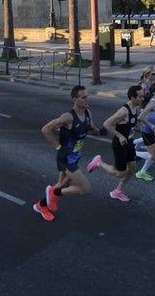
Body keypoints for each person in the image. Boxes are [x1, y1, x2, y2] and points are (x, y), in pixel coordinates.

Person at [32, 85, 111, 222]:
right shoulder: (68, 117)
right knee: (84, 188)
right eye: (83, 97)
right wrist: (58, 147)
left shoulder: (87, 113)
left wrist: (100, 131)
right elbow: (46, 129)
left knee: (63, 185)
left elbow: (90, 128)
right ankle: (53, 192)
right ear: (75, 100)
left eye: (87, 96)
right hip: (66, 158)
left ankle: (41, 206)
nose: (87, 99)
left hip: (75, 156)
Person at [88, 85, 147, 202]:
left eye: (143, 96)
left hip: (129, 142)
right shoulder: (123, 111)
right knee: (120, 174)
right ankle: (99, 163)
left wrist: (136, 128)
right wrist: (119, 135)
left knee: (132, 168)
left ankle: (117, 191)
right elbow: (106, 124)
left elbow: (129, 123)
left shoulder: (136, 107)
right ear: (132, 97)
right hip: (119, 144)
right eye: (140, 97)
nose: (143, 99)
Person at [133, 82, 155, 181]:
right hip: (148, 131)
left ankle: (142, 172)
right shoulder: (152, 103)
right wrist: (151, 126)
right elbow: (141, 117)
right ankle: (131, 152)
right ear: (154, 92)